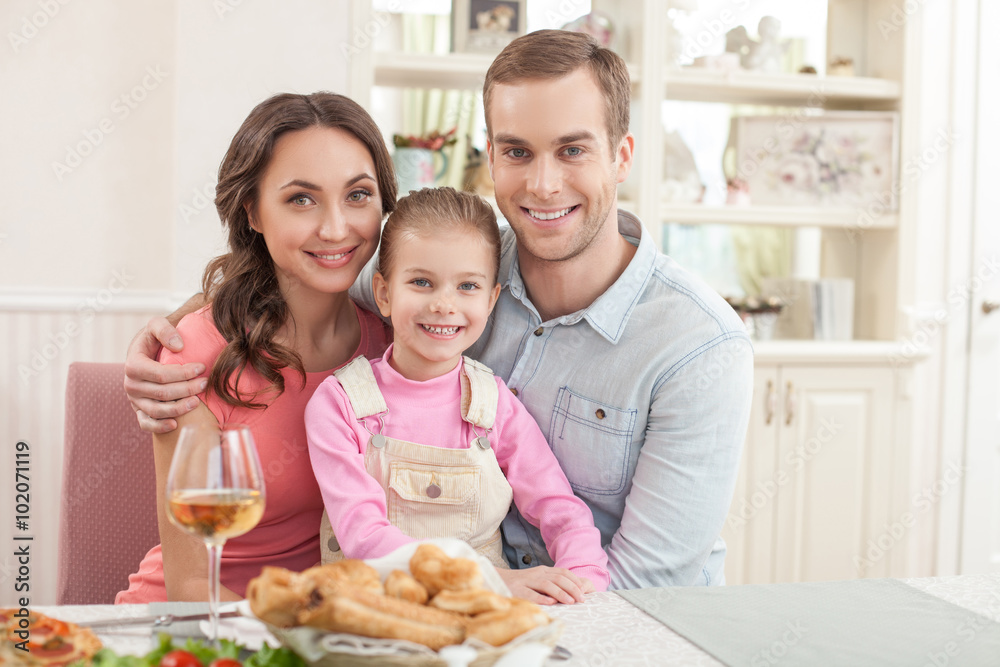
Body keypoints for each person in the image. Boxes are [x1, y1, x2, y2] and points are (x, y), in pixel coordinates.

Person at [123, 30, 754, 593]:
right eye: (516, 151)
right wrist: (168, 336)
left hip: (597, 620)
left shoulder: (699, 346)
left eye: (572, 150)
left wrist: (495, 604)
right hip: (389, 608)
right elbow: (298, 269)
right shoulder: (440, 285)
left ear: (621, 156)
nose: (542, 185)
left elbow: (647, 586)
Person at [115, 92, 396, 603]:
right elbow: (191, 584)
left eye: (358, 195)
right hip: (207, 629)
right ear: (253, 212)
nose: (336, 229)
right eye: (301, 199)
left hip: (323, 627)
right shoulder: (194, 357)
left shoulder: (393, 344)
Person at [305, 187, 609, 604]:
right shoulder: (339, 404)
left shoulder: (494, 404)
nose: (444, 304)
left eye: (467, 286)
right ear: (384, 293)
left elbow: (560, 509)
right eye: (421, 282)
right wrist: (485, 580)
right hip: (373, 618)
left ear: (491, 300)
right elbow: (363, 535)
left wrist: (584, 581)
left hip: (483, 618)